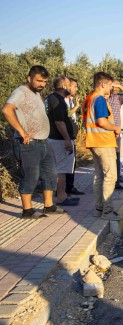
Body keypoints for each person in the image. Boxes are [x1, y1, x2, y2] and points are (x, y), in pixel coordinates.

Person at [2, 66, 65, 218]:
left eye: (44, 81)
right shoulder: (20, 92)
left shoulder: (36, 93)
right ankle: (27, 210)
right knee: (31, 176)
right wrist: (22, 131)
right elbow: (6, 110)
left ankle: (49, 206)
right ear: (29, 78)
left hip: (43, 142)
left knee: (50, 174)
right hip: (28, 144)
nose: (42, 84)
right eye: (38, 81)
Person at [83, 72, 123, 221]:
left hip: (93, 141)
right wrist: (115, 128)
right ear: (103, 84)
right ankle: (107, 211)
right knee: (110, 176)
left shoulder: (89, 98)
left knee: (99, 176)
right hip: (103, 142)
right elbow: (102, 121)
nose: (112, 89)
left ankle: (99, 209)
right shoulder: (99, 99)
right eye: (111, 86)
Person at [45, 76, 79, 206]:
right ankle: (61, 197)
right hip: (59, 140)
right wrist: (67, 140)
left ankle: (63, 195)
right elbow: (59, 122)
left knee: (59, 169)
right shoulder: (57, 99)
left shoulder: (51, 98)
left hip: (54, 139)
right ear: (64, 86)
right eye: (70, 85)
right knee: (61, 170)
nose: (72, 87)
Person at [65, 77, 84, 196]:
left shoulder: (70, 100)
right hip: (64, 138)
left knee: (72, 163)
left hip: (71, 137)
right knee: (65, 165)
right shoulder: (61, 100)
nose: (76, 89)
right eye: (75, 86)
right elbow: (65, 114)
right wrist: (76, 107)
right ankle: (64, 189)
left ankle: (69, 187)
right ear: (67, 86)